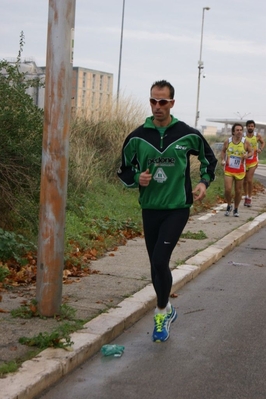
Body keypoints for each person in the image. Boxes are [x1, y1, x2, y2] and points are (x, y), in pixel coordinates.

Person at [117, 80, 217, 343]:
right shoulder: (138, 137)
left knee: (160, 260)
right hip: (150, 208)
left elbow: (210, 159)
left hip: (177, 208)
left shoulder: (187, 134)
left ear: (172, 103)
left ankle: (161, 312)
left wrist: (203, 182)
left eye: (162, 101)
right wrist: (137, 178)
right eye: (153, 101)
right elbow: (124, 170)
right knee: (155, 265)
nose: (157, 106)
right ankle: (168, 309)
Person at [220, 123, 252, 217]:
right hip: (229, 169)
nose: (239, 132)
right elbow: (223, 151)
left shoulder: (245, 142)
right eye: (237, 130)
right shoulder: (228, 141)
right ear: (233, 132)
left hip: (240, 170)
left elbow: (251, 152)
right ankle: (229, 205)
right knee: (228, 189)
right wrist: (223, 159)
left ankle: (236, 208)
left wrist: (247, 155)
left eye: (241, 130)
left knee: (238, 191)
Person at [243, 120, 265, 207]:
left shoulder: (257, 136)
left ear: (254, 127)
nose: (250, 127)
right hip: (244, 160)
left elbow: (263, 142)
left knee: (249, 179)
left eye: (252, 126)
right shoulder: (243, 136)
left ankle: (250, 198)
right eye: (249, 126)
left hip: (253, 160)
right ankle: (246, 196)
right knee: (244, 181)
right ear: (246, 127)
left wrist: (260, 149)